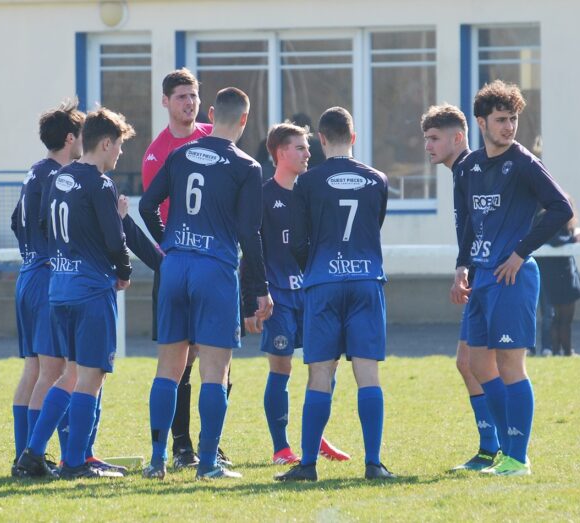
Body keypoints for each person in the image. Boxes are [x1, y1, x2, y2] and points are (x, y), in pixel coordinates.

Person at [140, 87, 272, 480]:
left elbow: (147, 205)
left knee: (168, 369)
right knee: (215, 372)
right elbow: (251, 234)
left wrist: (168, 243)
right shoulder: (247, 166)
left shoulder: (180, 154)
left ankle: (157, 461)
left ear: (211, 114)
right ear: (244, 120)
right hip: (214, 269)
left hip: (176, 265)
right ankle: (209, 465)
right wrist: (260, 289)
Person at [451, 80, 572, 476]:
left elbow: (561, 209)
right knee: (477, 364)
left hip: (512, 278)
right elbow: (469, 222)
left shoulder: (523, 163)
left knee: (510, 366)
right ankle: (503, 451)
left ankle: (518, 458)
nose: (509, 127)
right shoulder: (468, 167)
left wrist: (521, 253)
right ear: (482, 122)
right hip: (481, 278)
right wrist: (462, 267)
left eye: (514, 119)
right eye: (501, 120)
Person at [16, 107, 135, 479]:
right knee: (91, 375)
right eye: (118, 146)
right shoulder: (100, 184)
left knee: (67, 374)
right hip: (90, 290)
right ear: (104, 143)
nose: (119, 154)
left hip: (60, 289)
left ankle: (32, 454)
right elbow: (114, 240)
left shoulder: (59, 178)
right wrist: (124, 270)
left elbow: (44, 228)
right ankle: (76, 462)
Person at [275, 106, 393, 482]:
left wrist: (315, 263)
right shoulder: (377, 180)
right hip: (365, 280)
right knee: (368, 374)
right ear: (353, 138)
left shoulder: (306, 183)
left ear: (320, 139)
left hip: (323, 282)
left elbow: (295, 241)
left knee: (320, 374)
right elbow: (375, 225)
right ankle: (373, 463)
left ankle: (308, 464)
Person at [241, 123, 350, 465]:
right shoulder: (262, 195)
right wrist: (251, 299)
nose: (308, 153)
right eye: (301, 148)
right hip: (278, 299)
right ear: (280, 153)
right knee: (282, 368)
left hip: (314, 294)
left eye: (307, 147)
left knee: (325, 368)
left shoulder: (312, 192)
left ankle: (313, 439)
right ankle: (281, 447)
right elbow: (250, 251)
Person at [141, 68, 225, 470]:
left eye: (192, 96)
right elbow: (151, 209)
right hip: (177, 266)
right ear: (165, 102)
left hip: (215, 265)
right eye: (180, 97)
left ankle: (212, 445)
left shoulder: (213, 137)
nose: (188, 103)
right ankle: (180, 447)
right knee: (179, 361)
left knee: (217, 358)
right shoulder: (157, 154)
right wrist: (168, 249)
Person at [421, 103, 500, 471]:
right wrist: (462, 268)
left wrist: (468, 267)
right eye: (426, 139)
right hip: (477, 275)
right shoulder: (462, 172)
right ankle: (491, 446)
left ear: (459, 137)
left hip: (494, 277)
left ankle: (503, 446)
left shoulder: (473, 168)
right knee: (467, 362)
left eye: (435, 138)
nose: (428, 146)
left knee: (485, 364)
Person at [9, 100, 84, 476]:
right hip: (45, 277)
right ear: (71, 139)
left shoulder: (33, 173)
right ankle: (31, 459)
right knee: (52, 373)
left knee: (33, 369)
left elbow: (15, 220)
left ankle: (23, 453)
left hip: (26, 274)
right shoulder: (58, 177)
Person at [536, 203, 580, 356]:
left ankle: (558, 351)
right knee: (563, 319)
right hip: (560, 275)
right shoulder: (550, 218)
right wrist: (574, 239)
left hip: (554, 274)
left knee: (557, 318)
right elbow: (555, 240)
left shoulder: (543, 218)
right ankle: (566, 352)